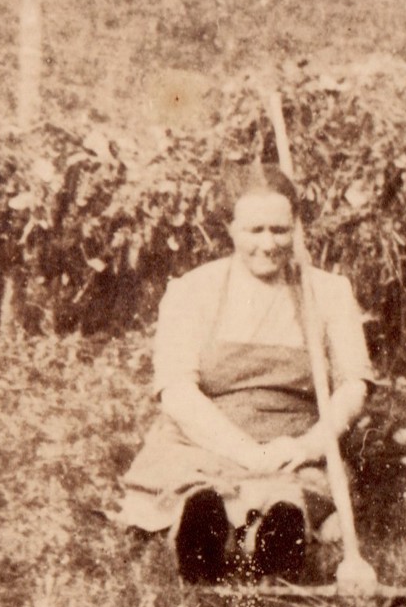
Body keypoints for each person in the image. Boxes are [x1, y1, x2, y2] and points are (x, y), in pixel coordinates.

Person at [116, 163, 372, 583]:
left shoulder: (328, 292)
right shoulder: (192, 290)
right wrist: (247, 453)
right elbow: (177, 391)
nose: (268, 244)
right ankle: (205, 530)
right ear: (229, 228)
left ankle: (274, 535)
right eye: (255, 230)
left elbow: (353, 384)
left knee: (294, 490)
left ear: (296, 227)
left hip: (291, 441)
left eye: (280, 230)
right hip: (205, 438)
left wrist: (310, 444)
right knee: (197, 486)